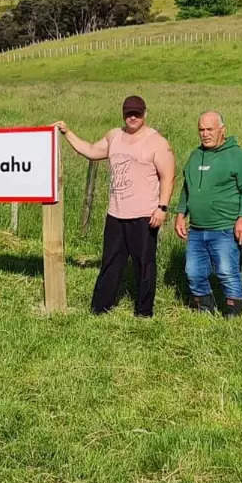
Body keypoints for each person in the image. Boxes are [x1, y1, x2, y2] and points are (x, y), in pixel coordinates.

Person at [53, 94, 174, 317]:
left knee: (144, 265)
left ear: (145, 114)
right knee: (110, 263)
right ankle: (99, 308)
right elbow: (90, 150)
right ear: (123, 114)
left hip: (144, 215)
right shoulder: (114, 136)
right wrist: (67, 132)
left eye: (137, 113)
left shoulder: (157, 142)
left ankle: (144, 313)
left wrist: (162, 208)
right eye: (129, 113)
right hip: (116, 214)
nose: (133, 117)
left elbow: (168, 176)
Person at [174, 111, 242, 316]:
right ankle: (204, 309)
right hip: (197, 229)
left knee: (227, 272)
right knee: (193, 272)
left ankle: (233, 313)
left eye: (210, 129)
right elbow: (187, 187)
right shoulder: (195, 156)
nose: (205, 134)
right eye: (201, 129)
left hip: (225, 228)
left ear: (222, 130)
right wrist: (180, 213)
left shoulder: (237, 156)